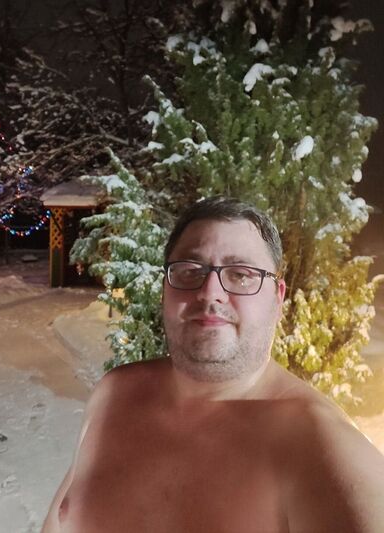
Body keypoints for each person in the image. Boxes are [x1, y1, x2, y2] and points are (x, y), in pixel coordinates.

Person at [42, 196, 384, 533]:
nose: (210, 292)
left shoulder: (324, 449)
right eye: (189, 271)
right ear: (164, 290)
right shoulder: (114, 394)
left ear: (277, 297)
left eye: (241, 275)